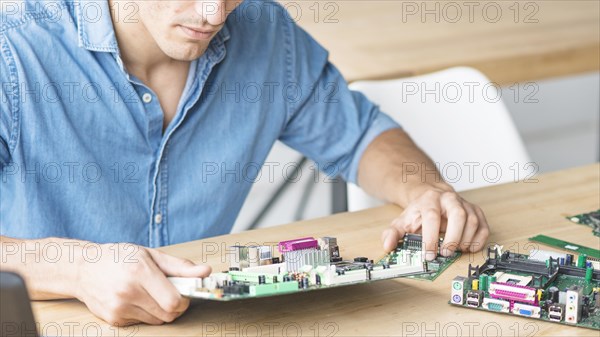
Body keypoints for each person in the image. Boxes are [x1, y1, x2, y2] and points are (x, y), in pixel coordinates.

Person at [0, 0, 489, 326]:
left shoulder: (265, 29)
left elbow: (362, 136)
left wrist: (425, 191)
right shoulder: (13, 51)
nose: (213, 13)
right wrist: (78, 268)